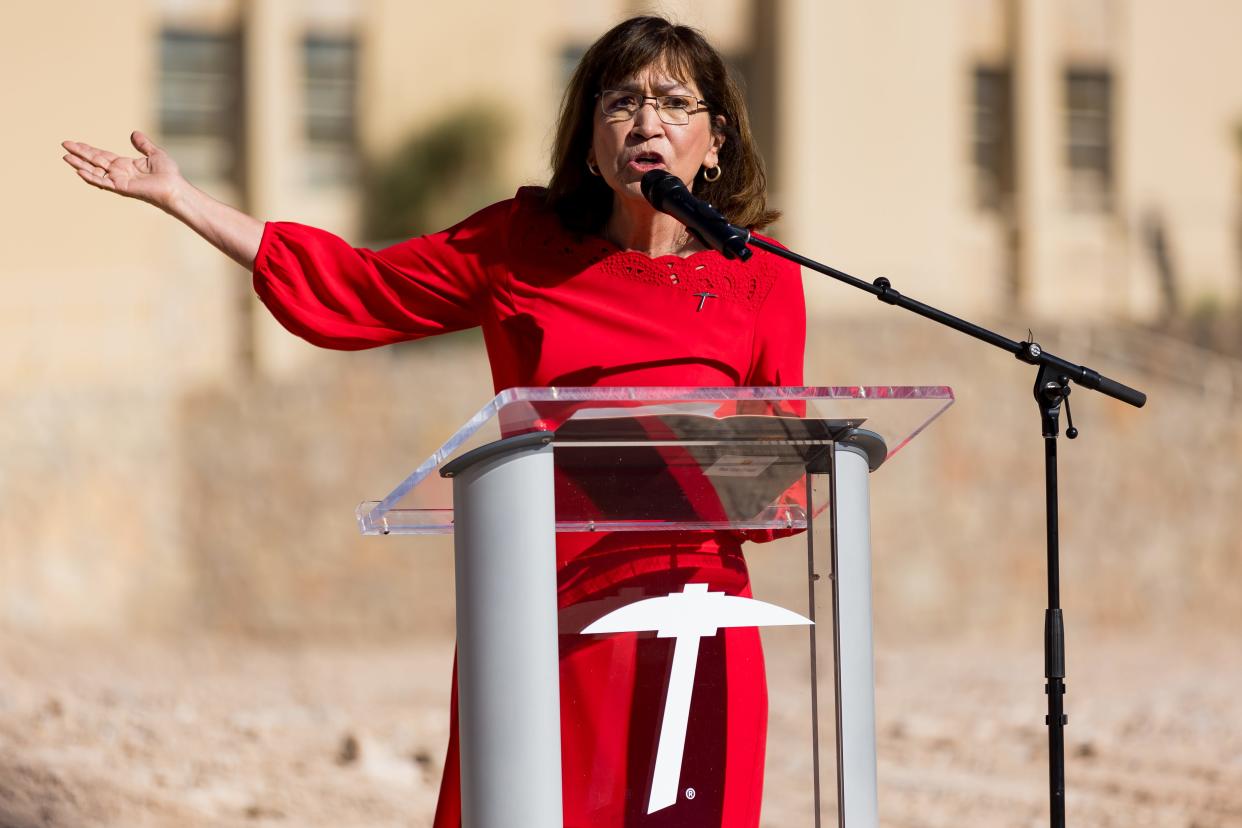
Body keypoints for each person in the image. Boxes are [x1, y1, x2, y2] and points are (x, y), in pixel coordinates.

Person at [62, 15, 805, 827]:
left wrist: (763, 474)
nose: (646, 121)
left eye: (672, 102)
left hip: (696, 615)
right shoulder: (520, 245)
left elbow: (780, 483)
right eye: (621, 100)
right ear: (591, 138)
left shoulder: (762, 278)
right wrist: (185, 199)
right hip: (544, 612)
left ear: (715, 137)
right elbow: (353, 287)